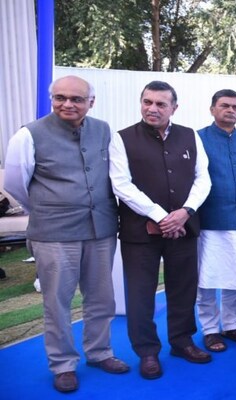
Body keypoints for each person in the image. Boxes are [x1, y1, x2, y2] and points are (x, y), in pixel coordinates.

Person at [4, 75, 130, 393]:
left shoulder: (104, 130)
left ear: (91, 102)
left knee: (102, 298)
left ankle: (100, 353)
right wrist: (49, 209)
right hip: (53, 233)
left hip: (100, 229)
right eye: (60, 97)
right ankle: (62, 364)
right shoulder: (28, 135)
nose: (67, 104)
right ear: (52, 99)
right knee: (57, 302)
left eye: (76, 98)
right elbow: (17, 184)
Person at [110, 80, 212, 380]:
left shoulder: (190, 136)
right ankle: (147, 352)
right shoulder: (121, 138)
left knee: (183, 288)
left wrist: (185, 212)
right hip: (139, 232)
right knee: (140, 294)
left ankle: (182, 341)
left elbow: (203, 178)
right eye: (147, 102)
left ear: (174, 108)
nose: (152, 108)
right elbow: (121, 184)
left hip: (183, 227)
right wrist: (160, 215)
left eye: (160, 104)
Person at [195, 89, 236, 351]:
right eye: (224, 105)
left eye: (235, 106)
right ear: (213, 109)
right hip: (209, 220)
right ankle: (210, 329)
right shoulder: (198, 138)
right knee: (206, 279)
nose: (230, 110)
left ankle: (232, 325)